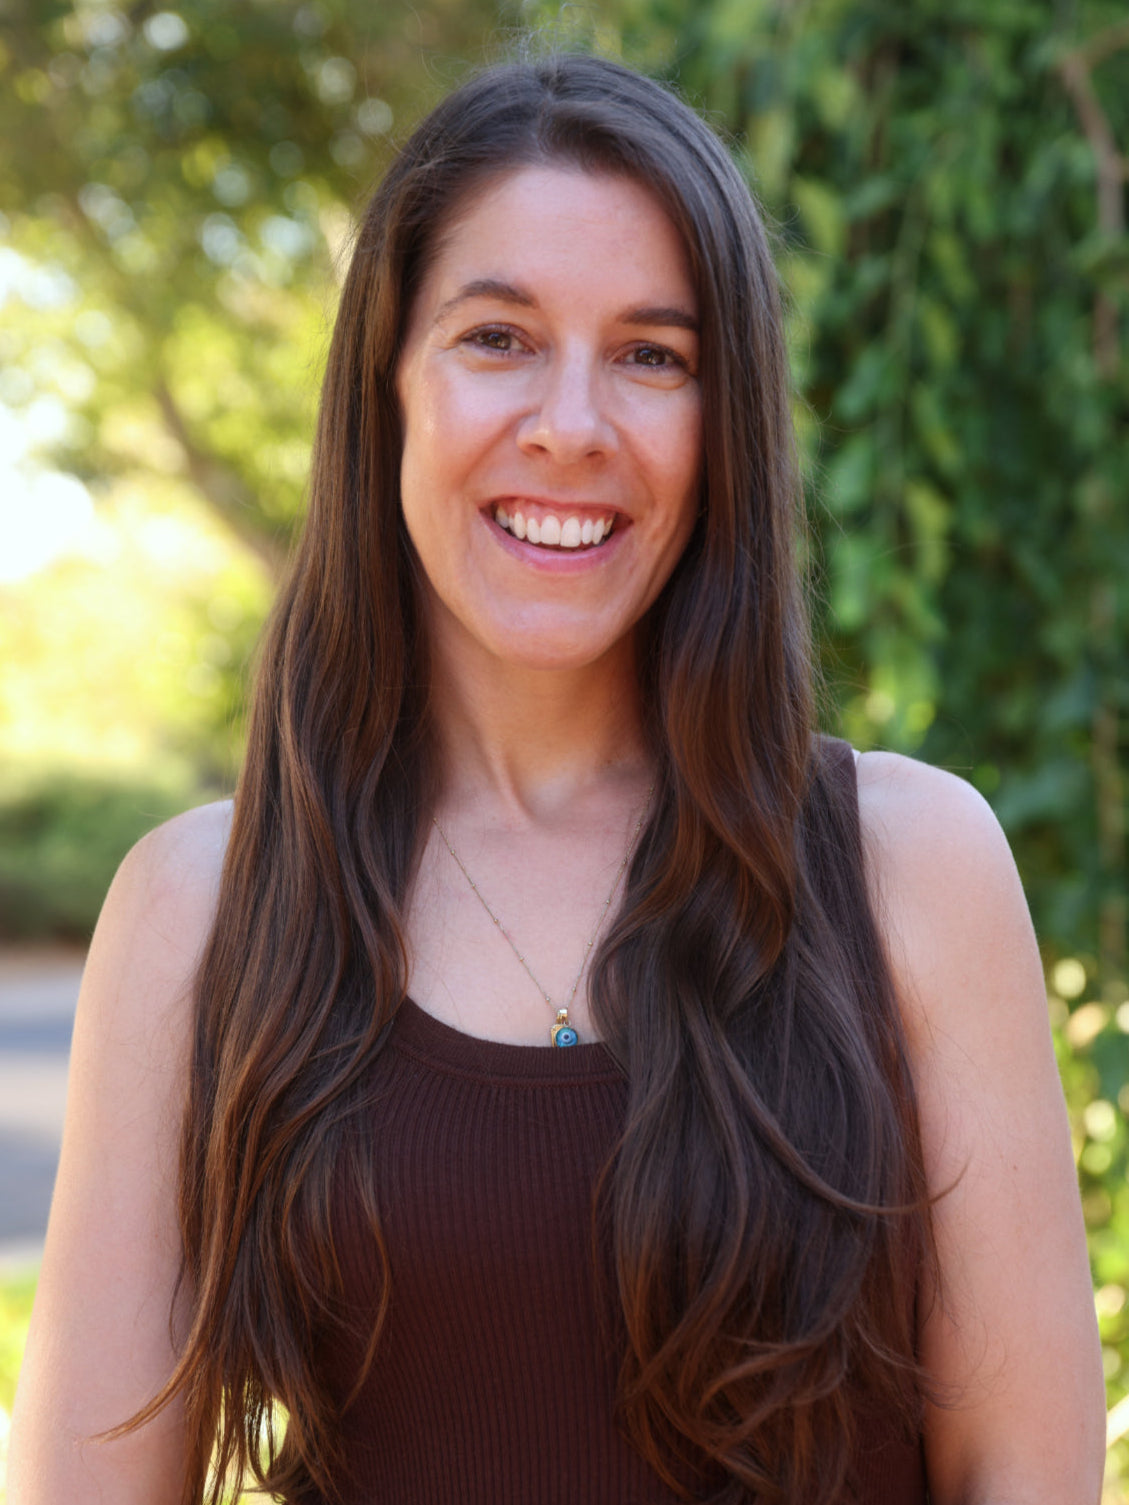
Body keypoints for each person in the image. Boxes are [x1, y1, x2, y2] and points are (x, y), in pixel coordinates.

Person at [9, 53, 1105, 1505]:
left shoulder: (913, 866)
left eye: (653, 355)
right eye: (497, 338)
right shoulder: (202, 910)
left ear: (727, 428)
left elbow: (1022, 1476)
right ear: (386, 385)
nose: (571, 425)